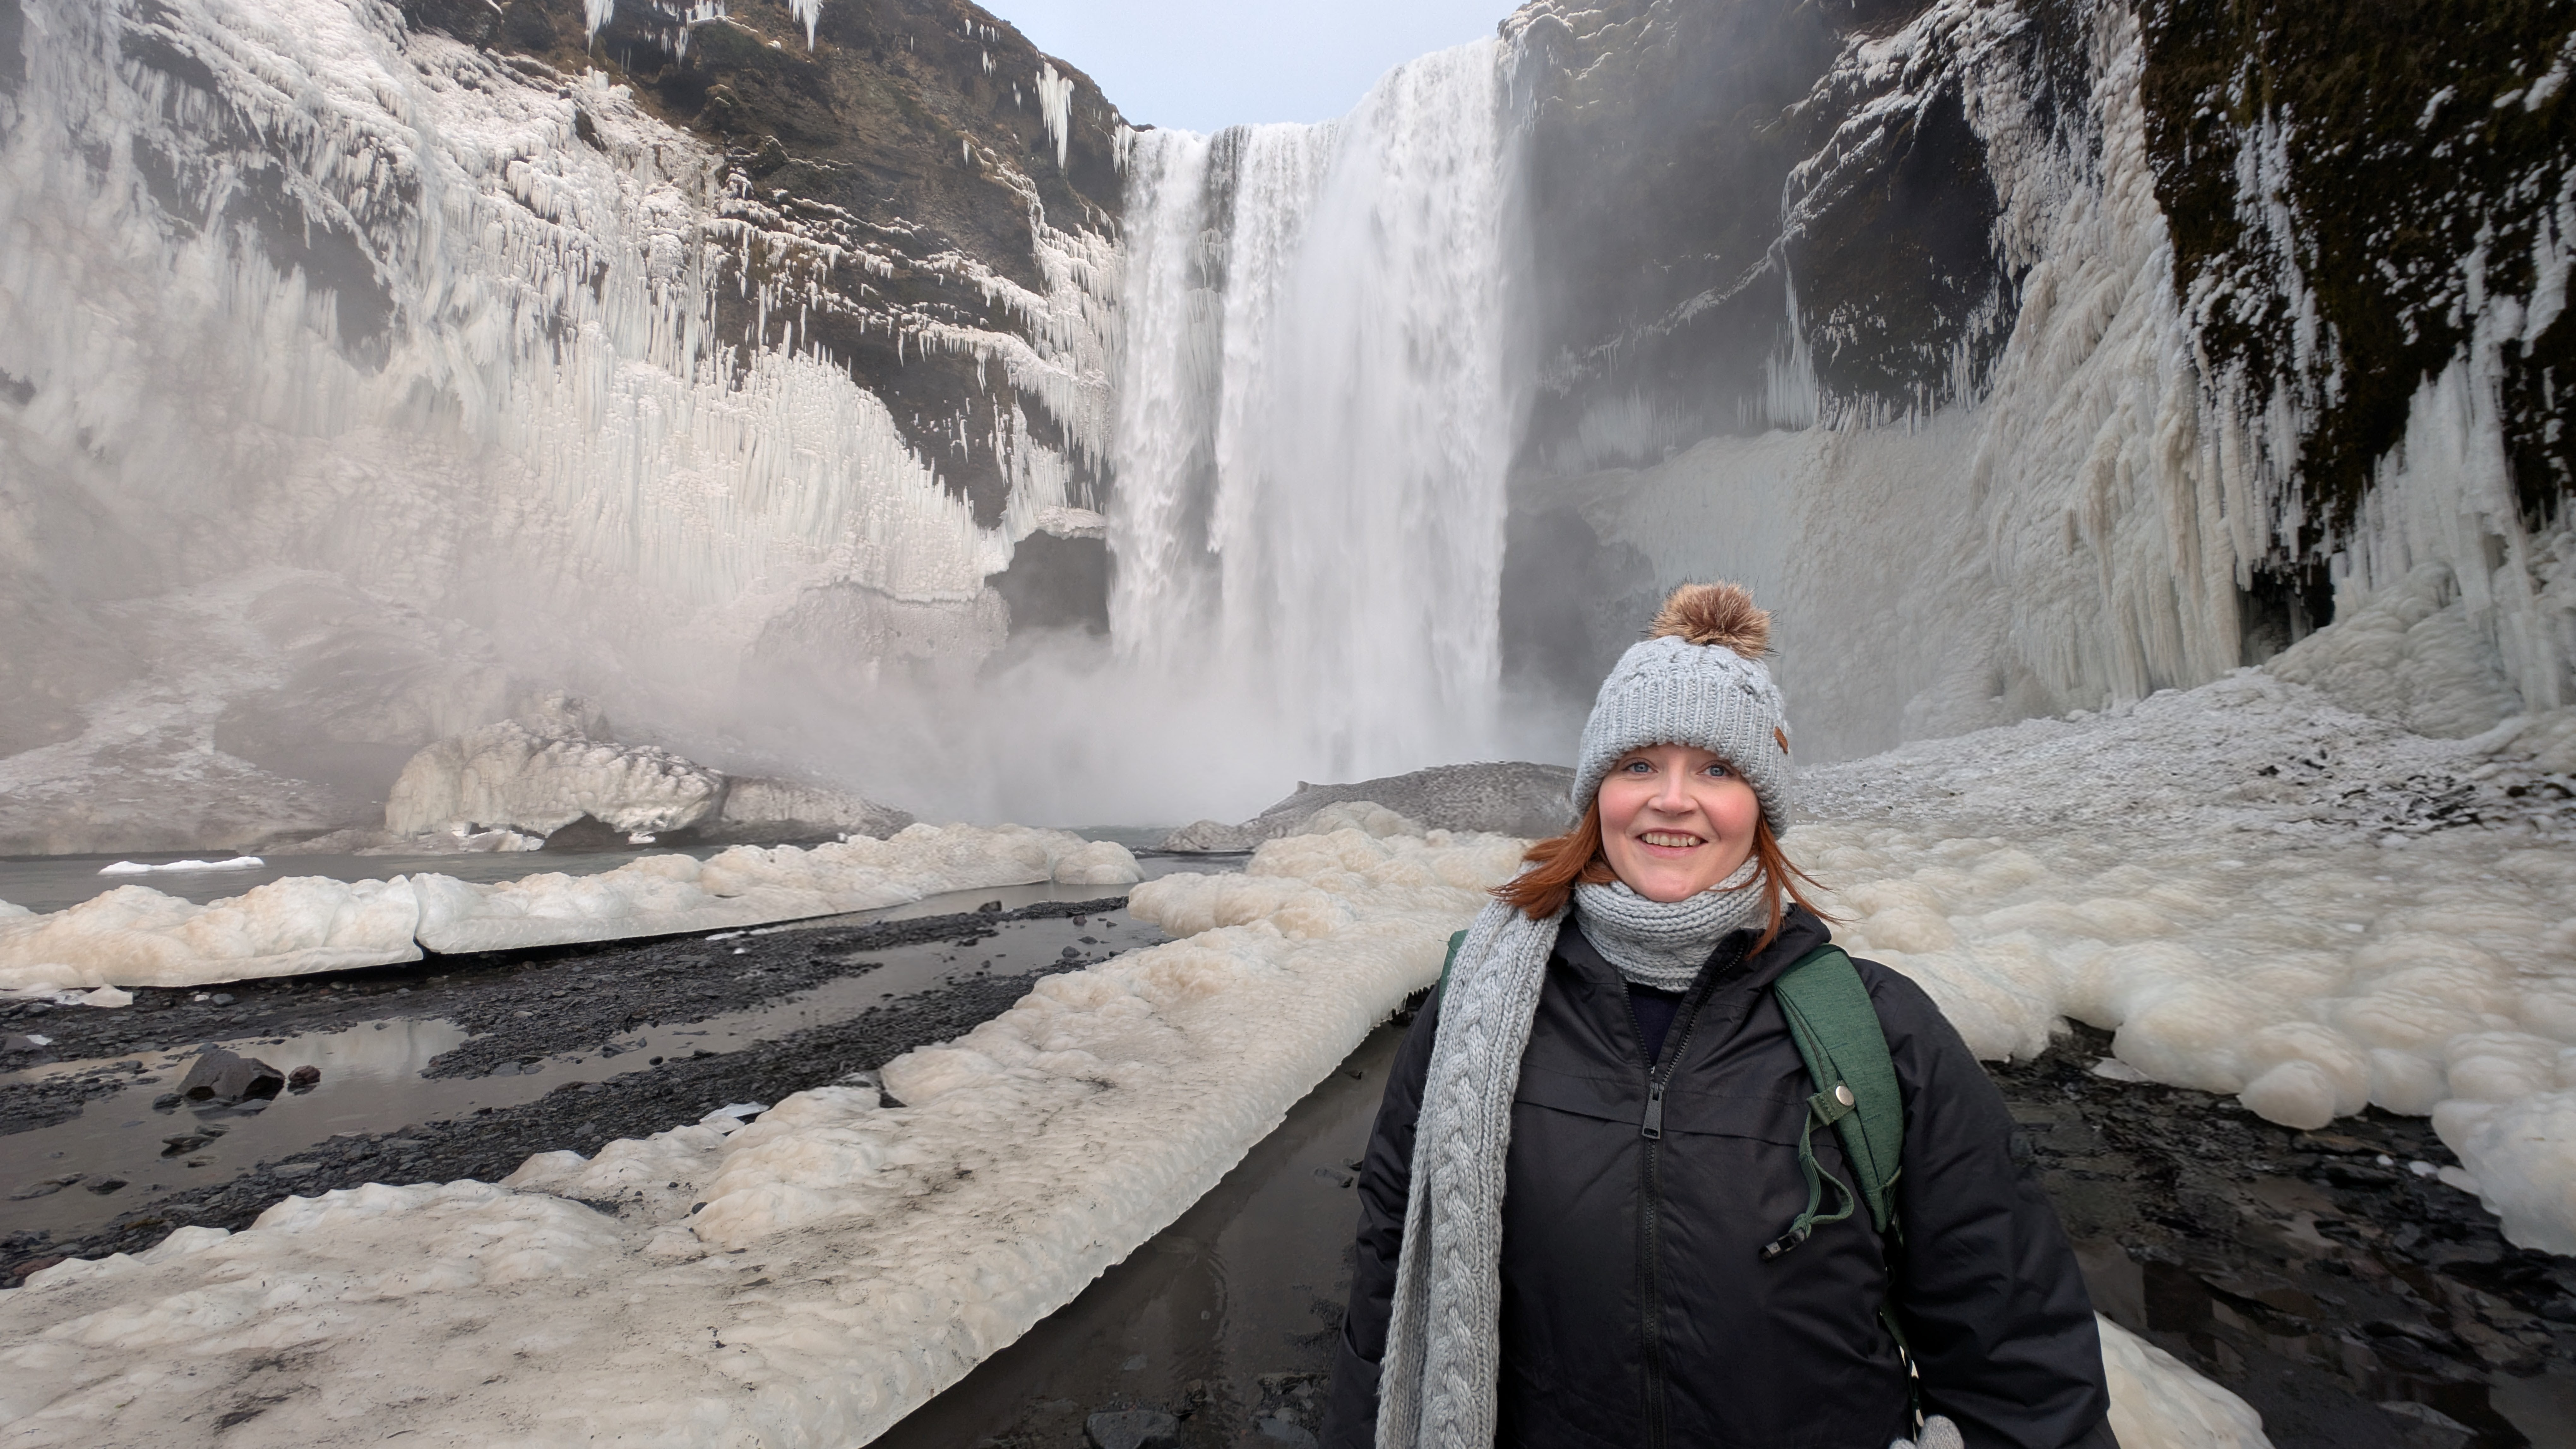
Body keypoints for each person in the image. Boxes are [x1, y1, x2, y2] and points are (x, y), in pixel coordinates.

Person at [1321, 582, 2116, 1449]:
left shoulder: (1878, 1032)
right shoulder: (1473, 1009)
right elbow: (1387, 1286)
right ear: (1596, 798)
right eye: (1638, 765)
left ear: (1761, 808)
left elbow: (2016, 1355)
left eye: (1717, 769)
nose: (1673, 799)